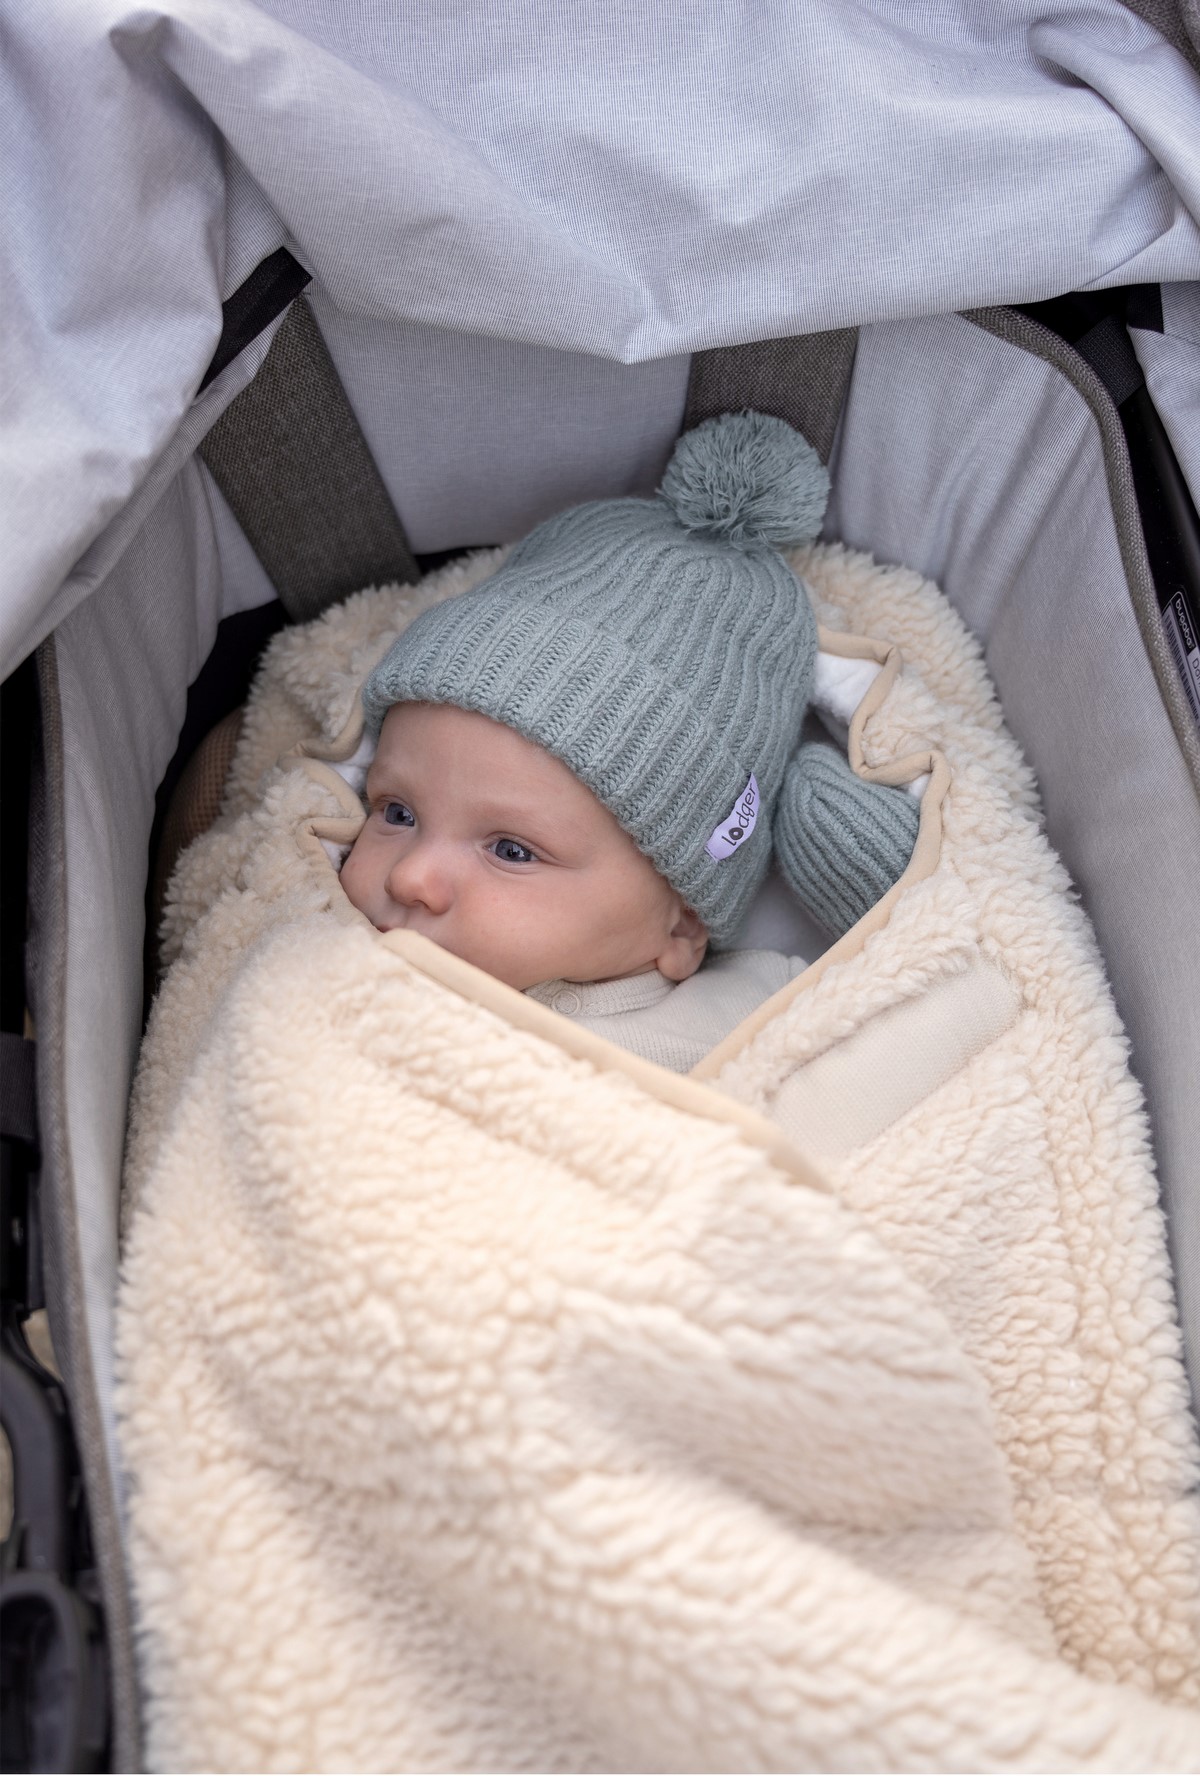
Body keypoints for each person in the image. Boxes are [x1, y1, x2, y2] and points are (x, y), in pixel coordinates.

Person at [340, 411, 920, 1071]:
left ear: (682, 925)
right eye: (396, 812)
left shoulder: (752, 1020)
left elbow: (953, 1039)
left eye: (511, 850)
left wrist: (895, 897)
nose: (410, 877)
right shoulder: (320, 947)